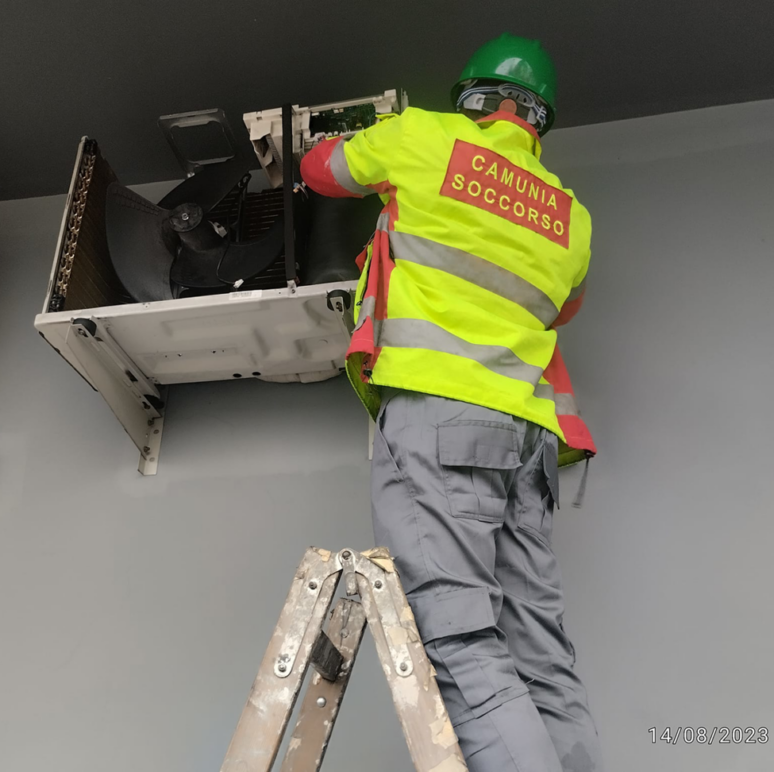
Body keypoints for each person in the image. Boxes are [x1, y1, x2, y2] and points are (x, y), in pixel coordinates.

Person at [300, 33, 604, 772]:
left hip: (440, 417)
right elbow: (564, 307)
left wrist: (359, 143)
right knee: (542, 658)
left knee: (462, 644)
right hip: (528, 440)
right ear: (539, 120)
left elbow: (320, 171)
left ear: (473, 97)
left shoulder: (423, 137)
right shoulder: (572, 216)